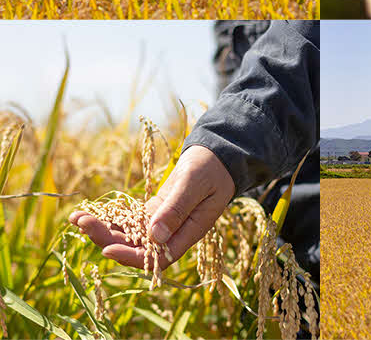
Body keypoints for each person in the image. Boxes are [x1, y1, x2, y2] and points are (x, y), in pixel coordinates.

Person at [69, 20, 320, 287]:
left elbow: (305, 38)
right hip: (258, 179)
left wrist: (226, 143)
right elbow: (237, 59)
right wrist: (228, 155)